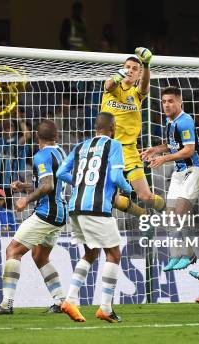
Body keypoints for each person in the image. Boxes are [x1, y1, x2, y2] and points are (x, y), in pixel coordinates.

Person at [56, 112, 133, 323]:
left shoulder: (80, 146)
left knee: (90, 253)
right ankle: (106, 308)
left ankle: (70, 299)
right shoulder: (114, 145)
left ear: (96, 127)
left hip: (75, 207)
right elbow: (117, 177)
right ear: (113, 127)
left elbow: (61, 172)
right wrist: (129, 189)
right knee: (114, 253)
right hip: (96, 208)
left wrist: (82, 184)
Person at [0, 120, 67, 315]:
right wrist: (25, 186)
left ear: (38, 137)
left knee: (13, 250)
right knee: (40, 256)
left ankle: (6, 304)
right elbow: (47, 182)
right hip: (60, 213)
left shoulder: (41, 155)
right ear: (56, 137)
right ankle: (61, 301)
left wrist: (25, 200)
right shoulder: (60, 152)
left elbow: (48, 186)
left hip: (46, 213)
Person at [140, 87, 199, 271]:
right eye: (164, 101)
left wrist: (163, 159)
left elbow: (189, 150)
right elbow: (173, 145)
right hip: (179, 172)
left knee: (180, 211)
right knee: (170, 215)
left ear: (179, 102)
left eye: (171, 101)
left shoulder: (185, 121)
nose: (167, 105)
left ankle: (190, 254)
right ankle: (176, 255)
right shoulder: (169, 121)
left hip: (195, 170)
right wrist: (156, 150)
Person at [101, 47, 166, 217]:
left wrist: (146, 64)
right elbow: (109, 84)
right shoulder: (112, 87)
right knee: (111, 199)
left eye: (135, 69)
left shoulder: (137, 94)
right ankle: (145, 217)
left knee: (146, 196)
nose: (130, 70)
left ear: (138, 75)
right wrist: (118, 75)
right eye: (128, 67)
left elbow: (144, 87)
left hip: (129, 151)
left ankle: (168, 210)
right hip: (107, 150)